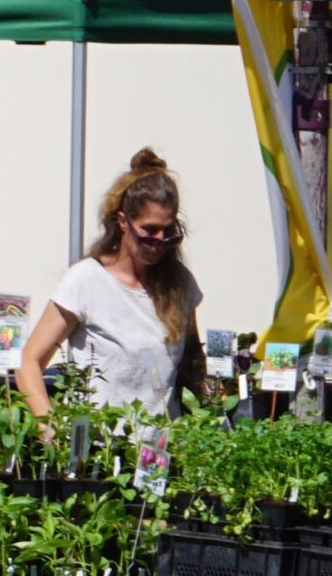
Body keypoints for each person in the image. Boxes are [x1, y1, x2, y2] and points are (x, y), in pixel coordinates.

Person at [19, 148, 205, 417]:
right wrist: (48, 428)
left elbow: (192, 362)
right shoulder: (87, 280)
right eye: (150, 231)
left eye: (168, 232)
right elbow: (29, 361)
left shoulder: (179, 284)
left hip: (163, 442)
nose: (159, 242)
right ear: (123, 222)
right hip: (98, 439)